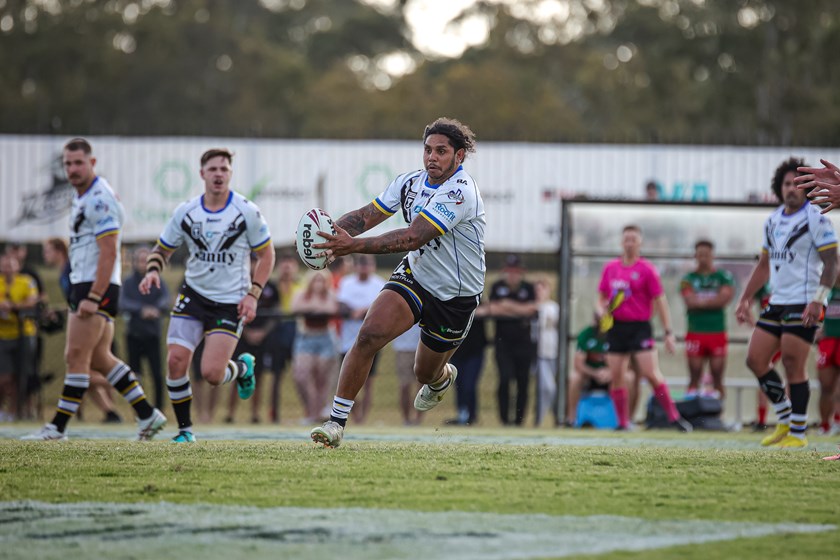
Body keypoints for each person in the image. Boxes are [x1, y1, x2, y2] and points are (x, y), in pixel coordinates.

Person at [310, 117, 485, 448]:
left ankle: (442, 378)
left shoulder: (462, 192)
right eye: (428, 150)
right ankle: (336, 423)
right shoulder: (409, 182)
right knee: (368, 335)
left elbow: (412, 237)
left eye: (441, 151)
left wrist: (353, 246)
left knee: (425, 373)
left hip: (455, 296)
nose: (432, 157)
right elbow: (369, 215)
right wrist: (331, 236)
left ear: (459, 157)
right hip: (416, 276)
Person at [23, 138, 166, 441]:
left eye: (78, 163)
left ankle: (56, 428)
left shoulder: (99, 198)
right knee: (101, 357)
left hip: (94, 286)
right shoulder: (82, 196)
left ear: (93, 163)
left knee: (75, 355)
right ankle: (147, 414)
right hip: (88, 284)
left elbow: (110, 252)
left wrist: (92, 295)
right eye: (68, 164)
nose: (73, 169)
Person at [140, 147, 275, 443]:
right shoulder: (186, 212)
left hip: (230, 301)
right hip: (193, 296)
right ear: (202, 174)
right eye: (212, 169)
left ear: (230, 174)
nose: (218, 174)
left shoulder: (246, 211)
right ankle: (185, 431)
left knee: (212, 374)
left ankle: (242, 368)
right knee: (176, 361)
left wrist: (253, 294)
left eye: (224, 169)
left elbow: (267, 255)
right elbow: (162, 248)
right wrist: (153, 270)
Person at [735, 157, 838, 448]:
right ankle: (783, 417)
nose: (791, 189)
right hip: (777, 302)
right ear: (778, 187)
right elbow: (764, 265)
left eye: (796, 184)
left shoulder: (817, 218)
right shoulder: (773, 220)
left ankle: (798, 433)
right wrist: (744, 299)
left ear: (806, 188)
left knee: (793, 364)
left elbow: (832, 263)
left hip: (805, 301)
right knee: (755, 359)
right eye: (786, 183)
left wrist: (819, 300)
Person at [598, 224, 692, 432]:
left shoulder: (646, 269)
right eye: (626, 239)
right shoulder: (610, 269)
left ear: (640, 242)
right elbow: (602, 298)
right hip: (617, 327)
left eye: (633, 239)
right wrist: (601, 311)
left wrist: (668, 332)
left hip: (640, 327)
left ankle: (673, 417)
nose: (629, 243)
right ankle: (622, 423)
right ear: (621, 242)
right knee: (617, 376)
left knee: (650, 373)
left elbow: (660, 300)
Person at [42, 237, 121, 423]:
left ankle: (127, 381)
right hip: (84, 319)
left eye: (47, 251)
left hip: (91, 321)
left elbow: (83, 296)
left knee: (80, 370)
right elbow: (74, 300)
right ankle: (111, 413)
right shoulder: (64, 270)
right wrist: (61, 310)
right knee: (81, 373)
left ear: (59, 251)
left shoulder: (72, 267)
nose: (45, 255)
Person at [224, 254, 280, 424]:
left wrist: (262, 332)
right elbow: (232, 309)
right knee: (236, 374)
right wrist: (246, 331)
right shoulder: (239, 285)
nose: (254, 265)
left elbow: (276, 313)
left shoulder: (271, 287)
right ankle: (230, 413)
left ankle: (255, 413)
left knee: (259, 375)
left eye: (257, 262)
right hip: (241, 336)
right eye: (252, 262)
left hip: (263, 339)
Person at [679, 240, 735, 399]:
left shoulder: (723, 276)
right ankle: (692, 414)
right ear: (695, 256)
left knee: (717, 377)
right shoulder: (687, 278)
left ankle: (718, 416)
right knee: (694, 376)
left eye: (707, 254)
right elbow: (688, 300)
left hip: (717, 332)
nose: (703, 258)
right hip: (695, 332)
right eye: (700, 254)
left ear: (713, 255)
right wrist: (712, 301)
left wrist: (699, 302)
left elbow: (724, 299)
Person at [336, 255, 386, 424]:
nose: (364, 267)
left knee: (368, 382)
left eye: (368, 264)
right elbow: (340, 304)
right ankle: (353, 416)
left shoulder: (380, 284)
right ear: (356, 266)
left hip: (372, 341)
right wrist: (353, 312)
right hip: (348, 340)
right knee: (349, 379)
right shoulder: (346, 282)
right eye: (361, 264)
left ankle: (363, 418)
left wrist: (363, 311)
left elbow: (381, 308)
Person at [489, 254, 537, 426]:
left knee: (523, 382)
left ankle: (519, 420)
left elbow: (532, 309)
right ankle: (504, 419)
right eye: (509, 271)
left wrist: (507, 306)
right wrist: (519, 310)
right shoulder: (497, 286)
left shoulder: (529, 288)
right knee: (504, 378)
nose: (512, 275)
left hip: (524, 344)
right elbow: (493, 309)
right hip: (503, 344)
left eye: (515, 271)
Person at [120, 247, 170, 410]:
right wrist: (141, 310)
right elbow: (122, 302)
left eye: (146, 260)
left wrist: (155, 309)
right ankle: (140, 409)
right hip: (134, 334)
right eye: (140, 260)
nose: (143, 264)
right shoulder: (128, 282)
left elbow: (166, 299)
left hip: (152, 334)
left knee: (157, 374)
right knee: (135, 375)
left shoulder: (158, 281)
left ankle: (159, 409)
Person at [291, 269, 339, 423]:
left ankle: (319, 413)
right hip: (306, 337)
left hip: (325, 336)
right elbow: (295, 308)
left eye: (322, 280)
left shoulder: (330, 295)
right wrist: (315, 308)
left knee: (322, 377)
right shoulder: (302, 294)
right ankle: (311, 411)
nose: (318, 283)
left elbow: (332, 309)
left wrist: (312, 308)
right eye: (316, 279)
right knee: (301, 375)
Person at [0, 253, 38, 421]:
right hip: (3, 335)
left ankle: (14, 412)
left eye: (11, 264)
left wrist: (13, 306)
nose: (7, 267)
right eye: (4, 264)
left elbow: (32, 301)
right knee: (5, 377)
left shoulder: (26, 281)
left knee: (21, 375)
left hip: (24, 334)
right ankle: (4, 409)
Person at [446, 309, 489, 426]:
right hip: (456, 351)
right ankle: (462, 415)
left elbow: (488, 310)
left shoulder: (476, 298)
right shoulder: (452, 301)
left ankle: (472, 415)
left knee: (469, 385)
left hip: (474, 351)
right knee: (458, 385)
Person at [815, 279, 840, 436]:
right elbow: (818, 312)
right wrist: (818, 328)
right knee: (825, 387)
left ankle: (837, 421)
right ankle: (824, 425)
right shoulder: (824, 291)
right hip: (828, 341)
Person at [534, 278, 559, 427]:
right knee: (548, 387)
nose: (539, 292)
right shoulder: (532, 308)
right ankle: (540, 419)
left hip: (553, 352)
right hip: (539, 354)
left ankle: (551, 418)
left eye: (542, 289)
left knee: (548, 388)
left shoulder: (554, 308)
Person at [392, 324, 423, 426]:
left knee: (422, 385)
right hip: (402, 348)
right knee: (404, 385)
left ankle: (418, 419)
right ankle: (406, 419)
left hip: (422, 346)